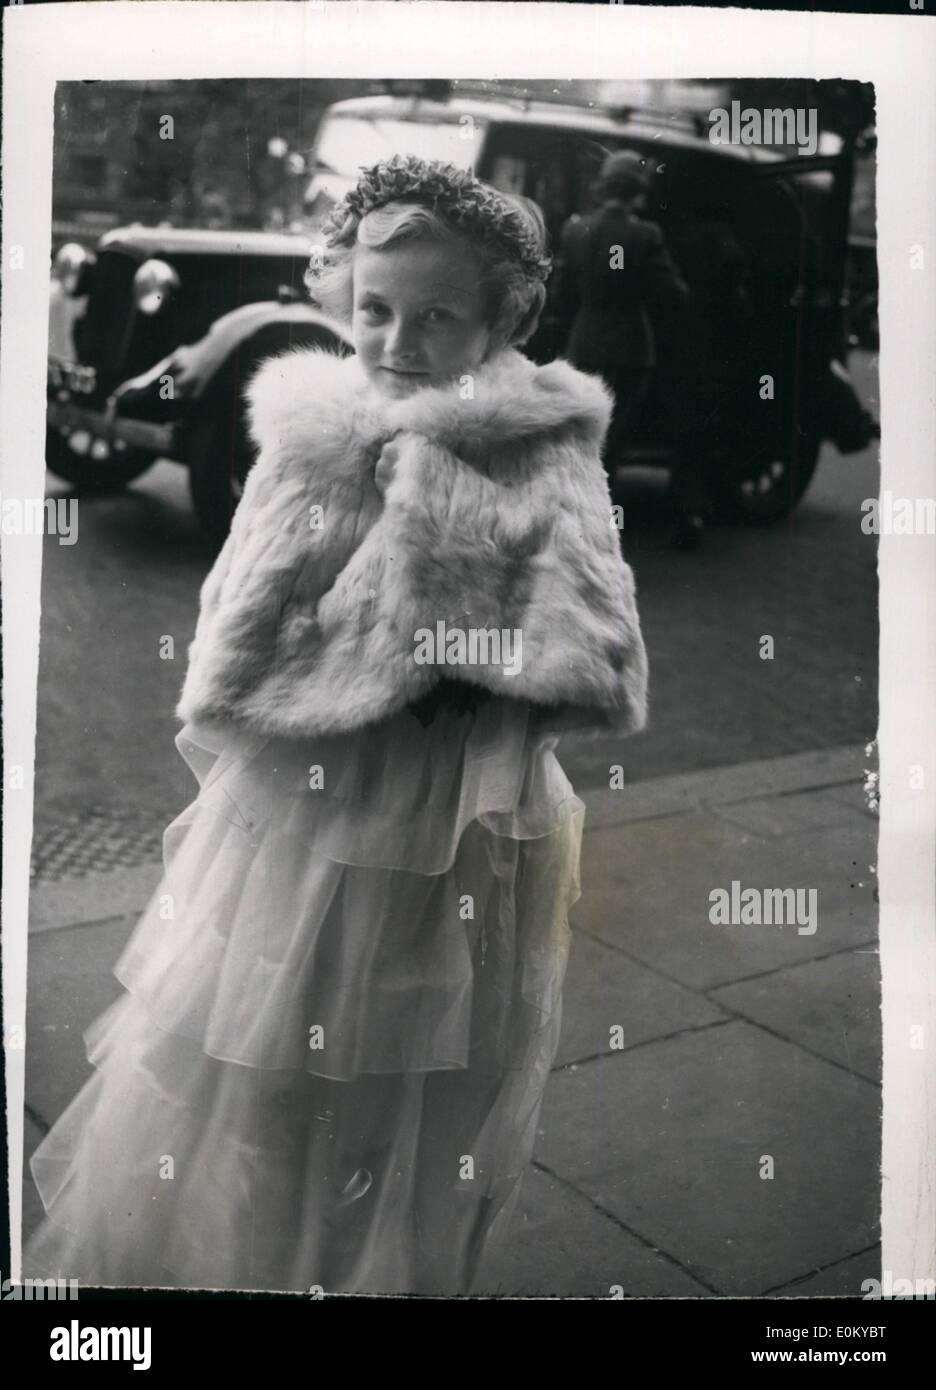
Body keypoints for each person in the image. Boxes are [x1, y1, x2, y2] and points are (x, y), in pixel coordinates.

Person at [23, 155, 648, 1297]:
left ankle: (380, 1273)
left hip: (462, 813)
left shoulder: (545, 446)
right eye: (372, 310)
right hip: (311, 817)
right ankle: (256, 1261)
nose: (397, 341)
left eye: (437, 316)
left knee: (428, 1084)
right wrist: (327, 659)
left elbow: (593, 638)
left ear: (503, 318)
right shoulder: (313, 433)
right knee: (261, 1076)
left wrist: (489, 661)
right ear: (338, 297)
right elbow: (241, 614)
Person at [555, 150, 704, 549]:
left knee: (582, 434)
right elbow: (672, 296)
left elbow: (562, 296)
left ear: (604, 187)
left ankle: (574, 520)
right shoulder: (646, 236)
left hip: (583, 344)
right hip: (629, 350)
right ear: (638, 191)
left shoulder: (575, 231)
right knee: (613, 438)